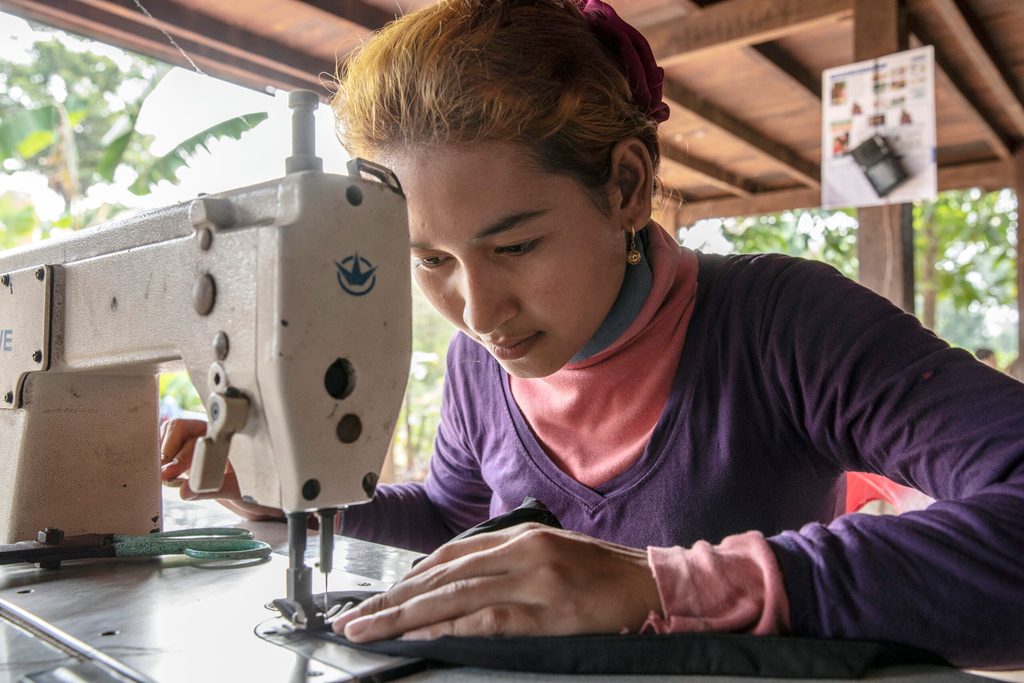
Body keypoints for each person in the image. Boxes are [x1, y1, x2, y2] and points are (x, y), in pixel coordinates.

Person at [160, 0, 1024, 669]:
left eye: (516, 245)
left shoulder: (783, 325)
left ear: (625, 187)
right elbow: (460, 522)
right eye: (428, 261)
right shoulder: (474, 365)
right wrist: (293, 497)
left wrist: (657, 584)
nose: (479, 309)